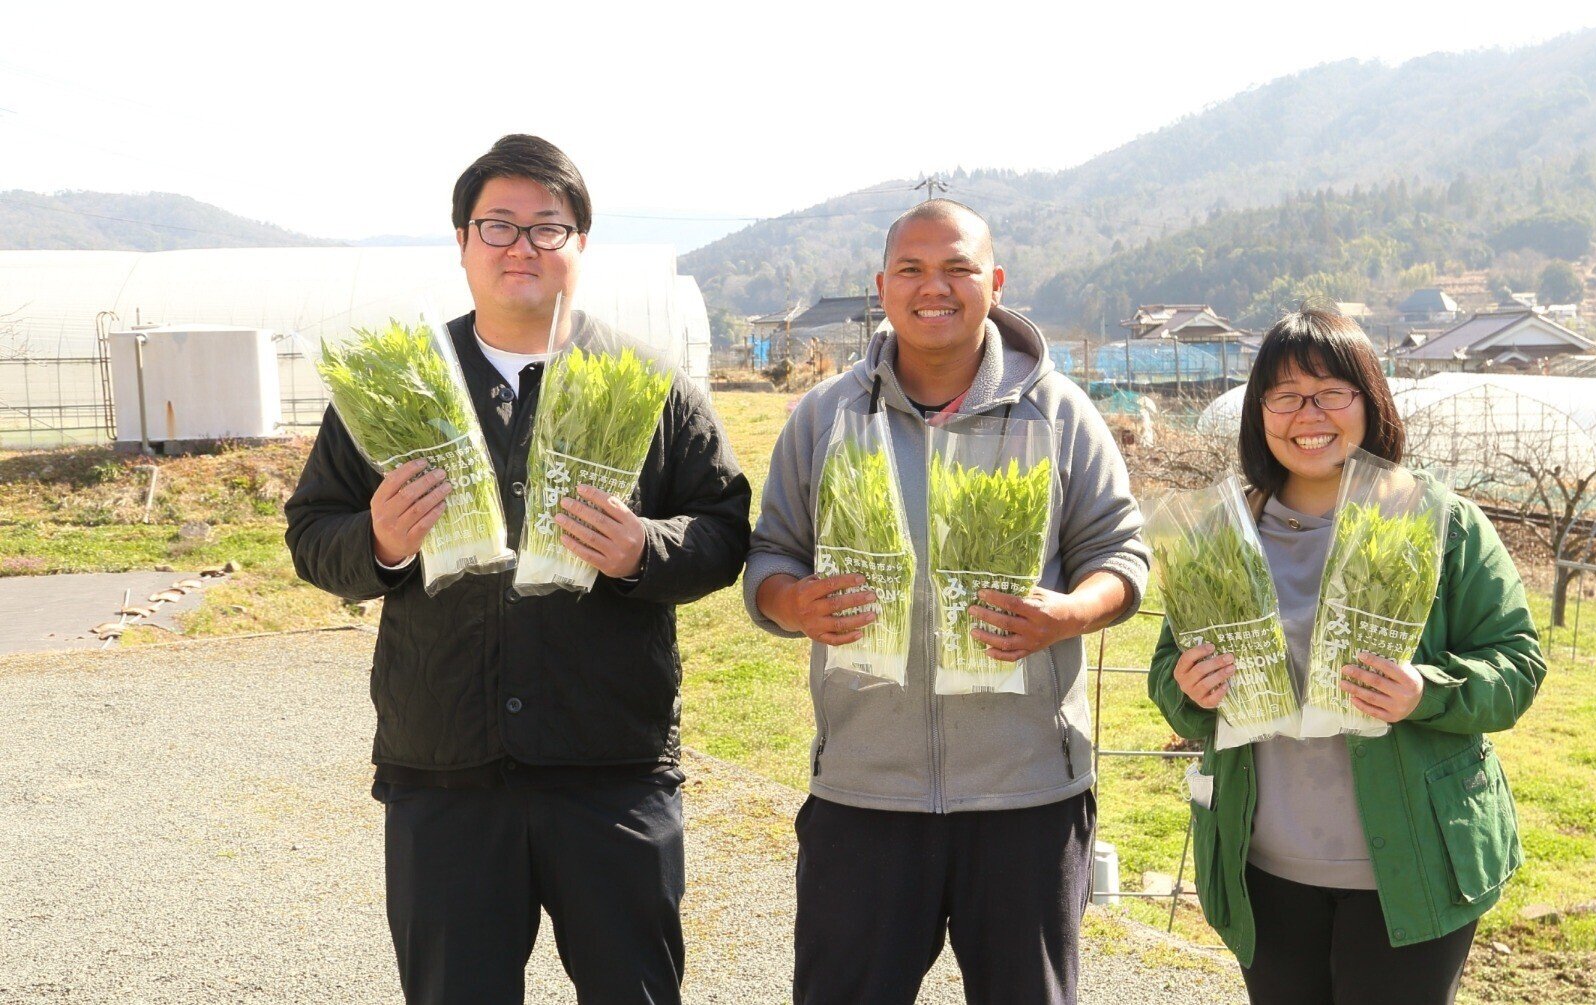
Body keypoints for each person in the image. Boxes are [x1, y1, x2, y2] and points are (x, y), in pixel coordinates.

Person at [285, 134, 750, 1005]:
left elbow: (725, 528)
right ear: (462, 241)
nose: (521, 247)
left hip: (610, 763)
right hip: (444, 767)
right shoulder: (396, 382)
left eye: (549, 227)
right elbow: (312, 531)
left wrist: (644, 550)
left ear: (581, 244)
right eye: (498, 225)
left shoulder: (647, 382)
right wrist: (379, 543)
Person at [744, 199, 1150, 1005]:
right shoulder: (827, 416)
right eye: (913, 269)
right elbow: (770, 554)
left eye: (959, 267)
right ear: (882, 287)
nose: (937, 287)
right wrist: (796, 604)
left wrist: (1066, 613)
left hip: (1027, 794)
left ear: (994, 282)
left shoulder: (1058, 411)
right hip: (866, 791)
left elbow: (1122, 555)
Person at [1147, 308, 1545, 1005]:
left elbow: (1516, 662)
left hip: (1412, 864)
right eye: (1285, 394)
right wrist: (1190, 687)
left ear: (1370, 400)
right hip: (1264, 865)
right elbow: (1167, 672)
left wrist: (1428, 690)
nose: (1309, 412)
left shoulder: (1437, 520)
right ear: (1259, 410)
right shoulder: (1221, 531)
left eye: (1332, 391)